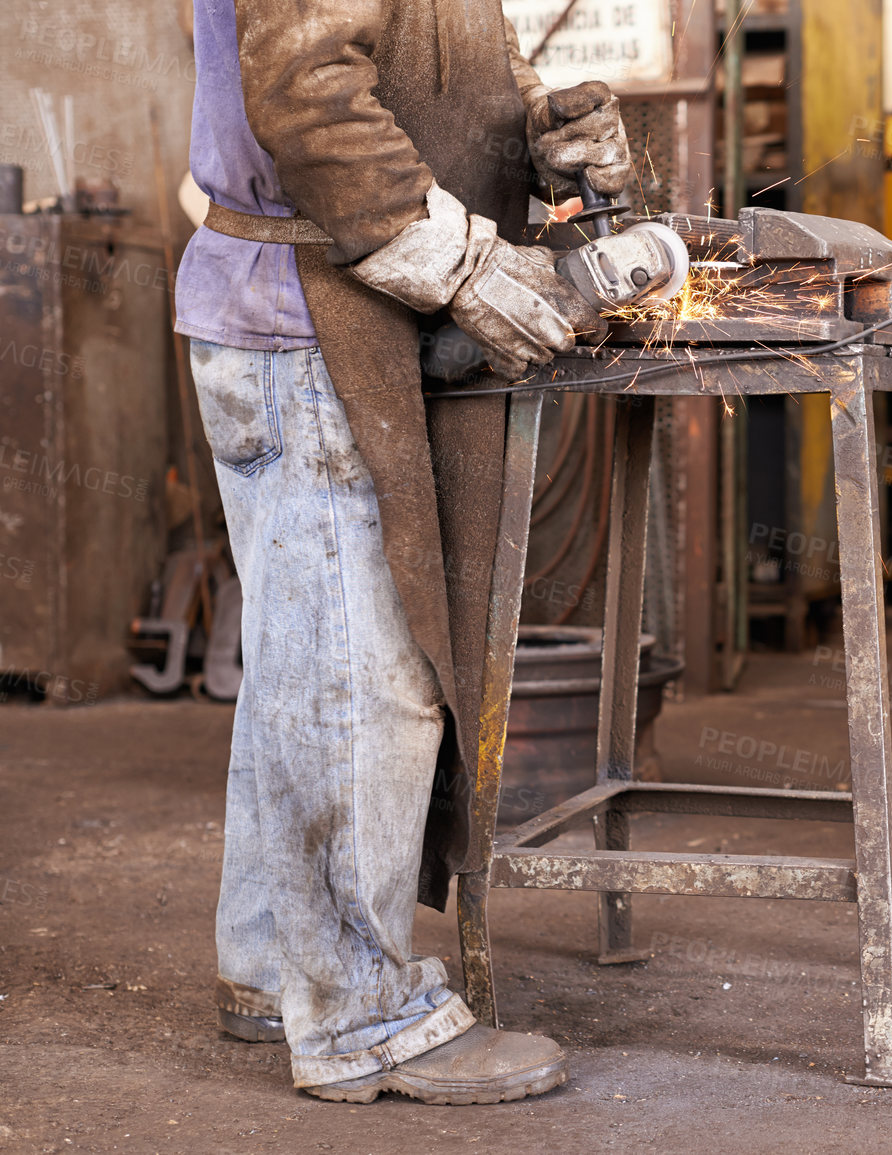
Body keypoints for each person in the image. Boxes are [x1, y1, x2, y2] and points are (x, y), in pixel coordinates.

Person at [173, 0, 630, 1105]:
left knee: (304, 663)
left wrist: (534, 125)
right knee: (358, 683)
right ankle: (362, 1019)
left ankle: (275, 969)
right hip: (308, 322)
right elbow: (310, 93)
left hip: (310, 318)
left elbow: (413, 72)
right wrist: (461, 264)